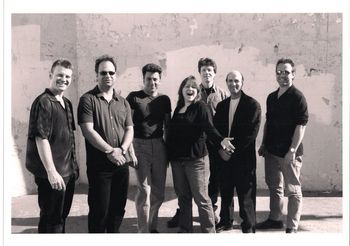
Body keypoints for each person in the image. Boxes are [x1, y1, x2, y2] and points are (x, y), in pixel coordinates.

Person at [167, 75, 234, 233]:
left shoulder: (200, 107)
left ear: (196, 91)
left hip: (196, 161)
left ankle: (209, 232)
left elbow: (209, 128)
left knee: (202, 198)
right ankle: (185, 229)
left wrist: (221, 141)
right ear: (181, 90)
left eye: (192, 87)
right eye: (186, 86)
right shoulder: (178, 108)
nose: (189, 89)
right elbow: (172, 134)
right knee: (183, 197)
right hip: (178, 161)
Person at [78, 55, 136, 233]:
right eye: (103, 72)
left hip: (121, 165)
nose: (108, 76)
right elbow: (88, 130)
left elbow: (129, 129)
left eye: (111, 72)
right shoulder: (87, 99)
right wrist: (111, 151)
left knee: (118, 209)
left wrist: (123, 150)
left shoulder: (123, 102)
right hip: (99, 167)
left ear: (116, 75)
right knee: (99, 211)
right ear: (96, 75)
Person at [25, 59, 79, 233]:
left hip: (67, 173)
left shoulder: (67, 103)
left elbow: (68, 139)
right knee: (51, 222)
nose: (64, 79)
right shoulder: (44, 102)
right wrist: (51, 172)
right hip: (52, 176)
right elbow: (41, 138)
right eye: (60, 75)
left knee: (60, 219)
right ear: (51, 75)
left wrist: (73, 169)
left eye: (67, 76)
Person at [256, 58, 308, 233]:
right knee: (274, 187)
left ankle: (292, 227)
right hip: (271, 152)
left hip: (289, 153)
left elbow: (301, 126)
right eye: (279, 72)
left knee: (293, 190)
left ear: (293, 74)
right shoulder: (272, 97)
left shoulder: (298, 97)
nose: (282, 75)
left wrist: (292, 150)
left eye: (286, 72)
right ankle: (275, 219)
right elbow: (268, 123)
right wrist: (264, 144)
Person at [213, 71, 261, 233]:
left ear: (242, 82)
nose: (233, 84)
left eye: (237, 81)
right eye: (230, 81)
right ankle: (225, 221)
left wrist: (231, 151)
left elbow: (250, 134)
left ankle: (248, 224)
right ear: (226, 82)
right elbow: (216, 131)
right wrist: (221, 150)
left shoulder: (252, 105)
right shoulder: (222, 105)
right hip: (224, 157)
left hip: (243, 158)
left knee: (245, 195)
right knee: (225, 191)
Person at [126, 63, 171, 233]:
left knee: (159, 193)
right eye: (149, 79)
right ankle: (143, 231)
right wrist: (130, 149)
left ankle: (151, 227)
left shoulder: (164, 100)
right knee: (144, 190)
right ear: (143, 79)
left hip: (159, 146)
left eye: (155, 79)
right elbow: (127, 125)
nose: (152, 82)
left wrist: (168, 151)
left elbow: (168, 127)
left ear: (160, 80)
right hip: (139, 145)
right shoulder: (134, 97)